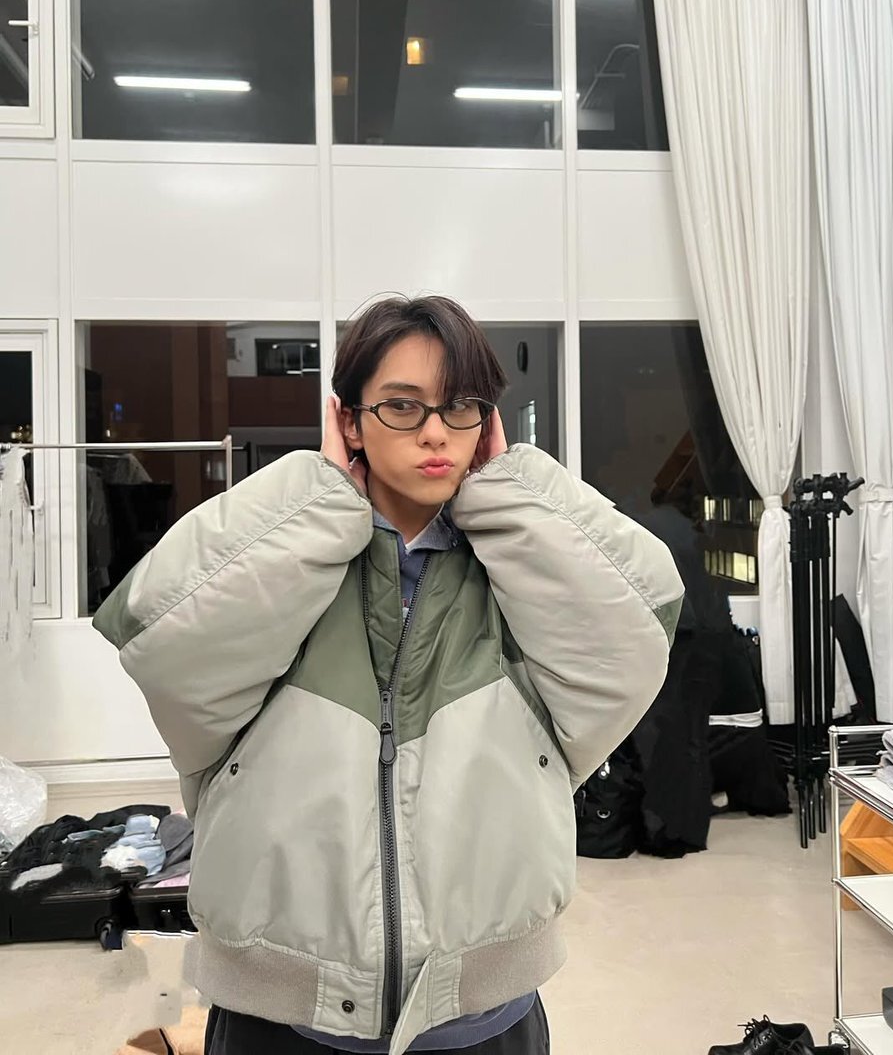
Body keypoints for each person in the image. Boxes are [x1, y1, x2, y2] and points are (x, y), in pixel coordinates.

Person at [93, 295, 684, 1055]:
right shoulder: (287, 563)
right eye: (402, 406)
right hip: (280, 1018)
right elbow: (159, 639)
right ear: (348, 421)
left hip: (486, 1017)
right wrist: (320, 499)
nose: (435, 432)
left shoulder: (520, 573)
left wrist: (510, 490)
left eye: (460, 406)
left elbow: (640, 626)